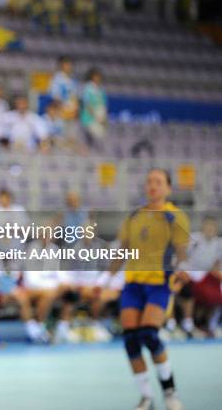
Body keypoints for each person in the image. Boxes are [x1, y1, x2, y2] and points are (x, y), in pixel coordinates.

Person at [96, 169, 189, 410]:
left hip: (159, 283)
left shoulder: (174, 216)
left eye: (158, 182)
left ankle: (170, 392)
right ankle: (146, 397)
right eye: (149, 181)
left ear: (168, 188)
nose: (153, 186)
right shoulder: (134, 216)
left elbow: (181, 252)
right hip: (133, 284)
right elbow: (122, 250)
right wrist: (105, 281)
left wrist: (180, 274)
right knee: (130, 340)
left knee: (149, 334)